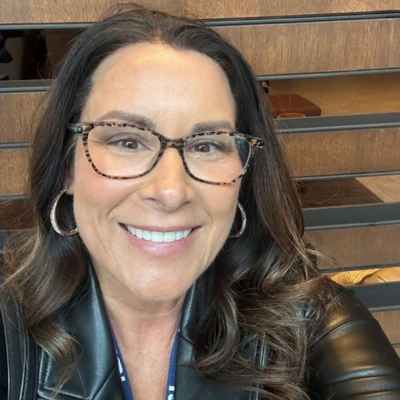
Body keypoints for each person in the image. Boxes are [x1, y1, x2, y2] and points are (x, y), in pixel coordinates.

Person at [1, 5, 399, 400]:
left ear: (242, 175)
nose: (171, 192)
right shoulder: (8, 329)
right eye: (127, 141)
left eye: (207, 145)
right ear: (67, 166)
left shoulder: (314, 320)